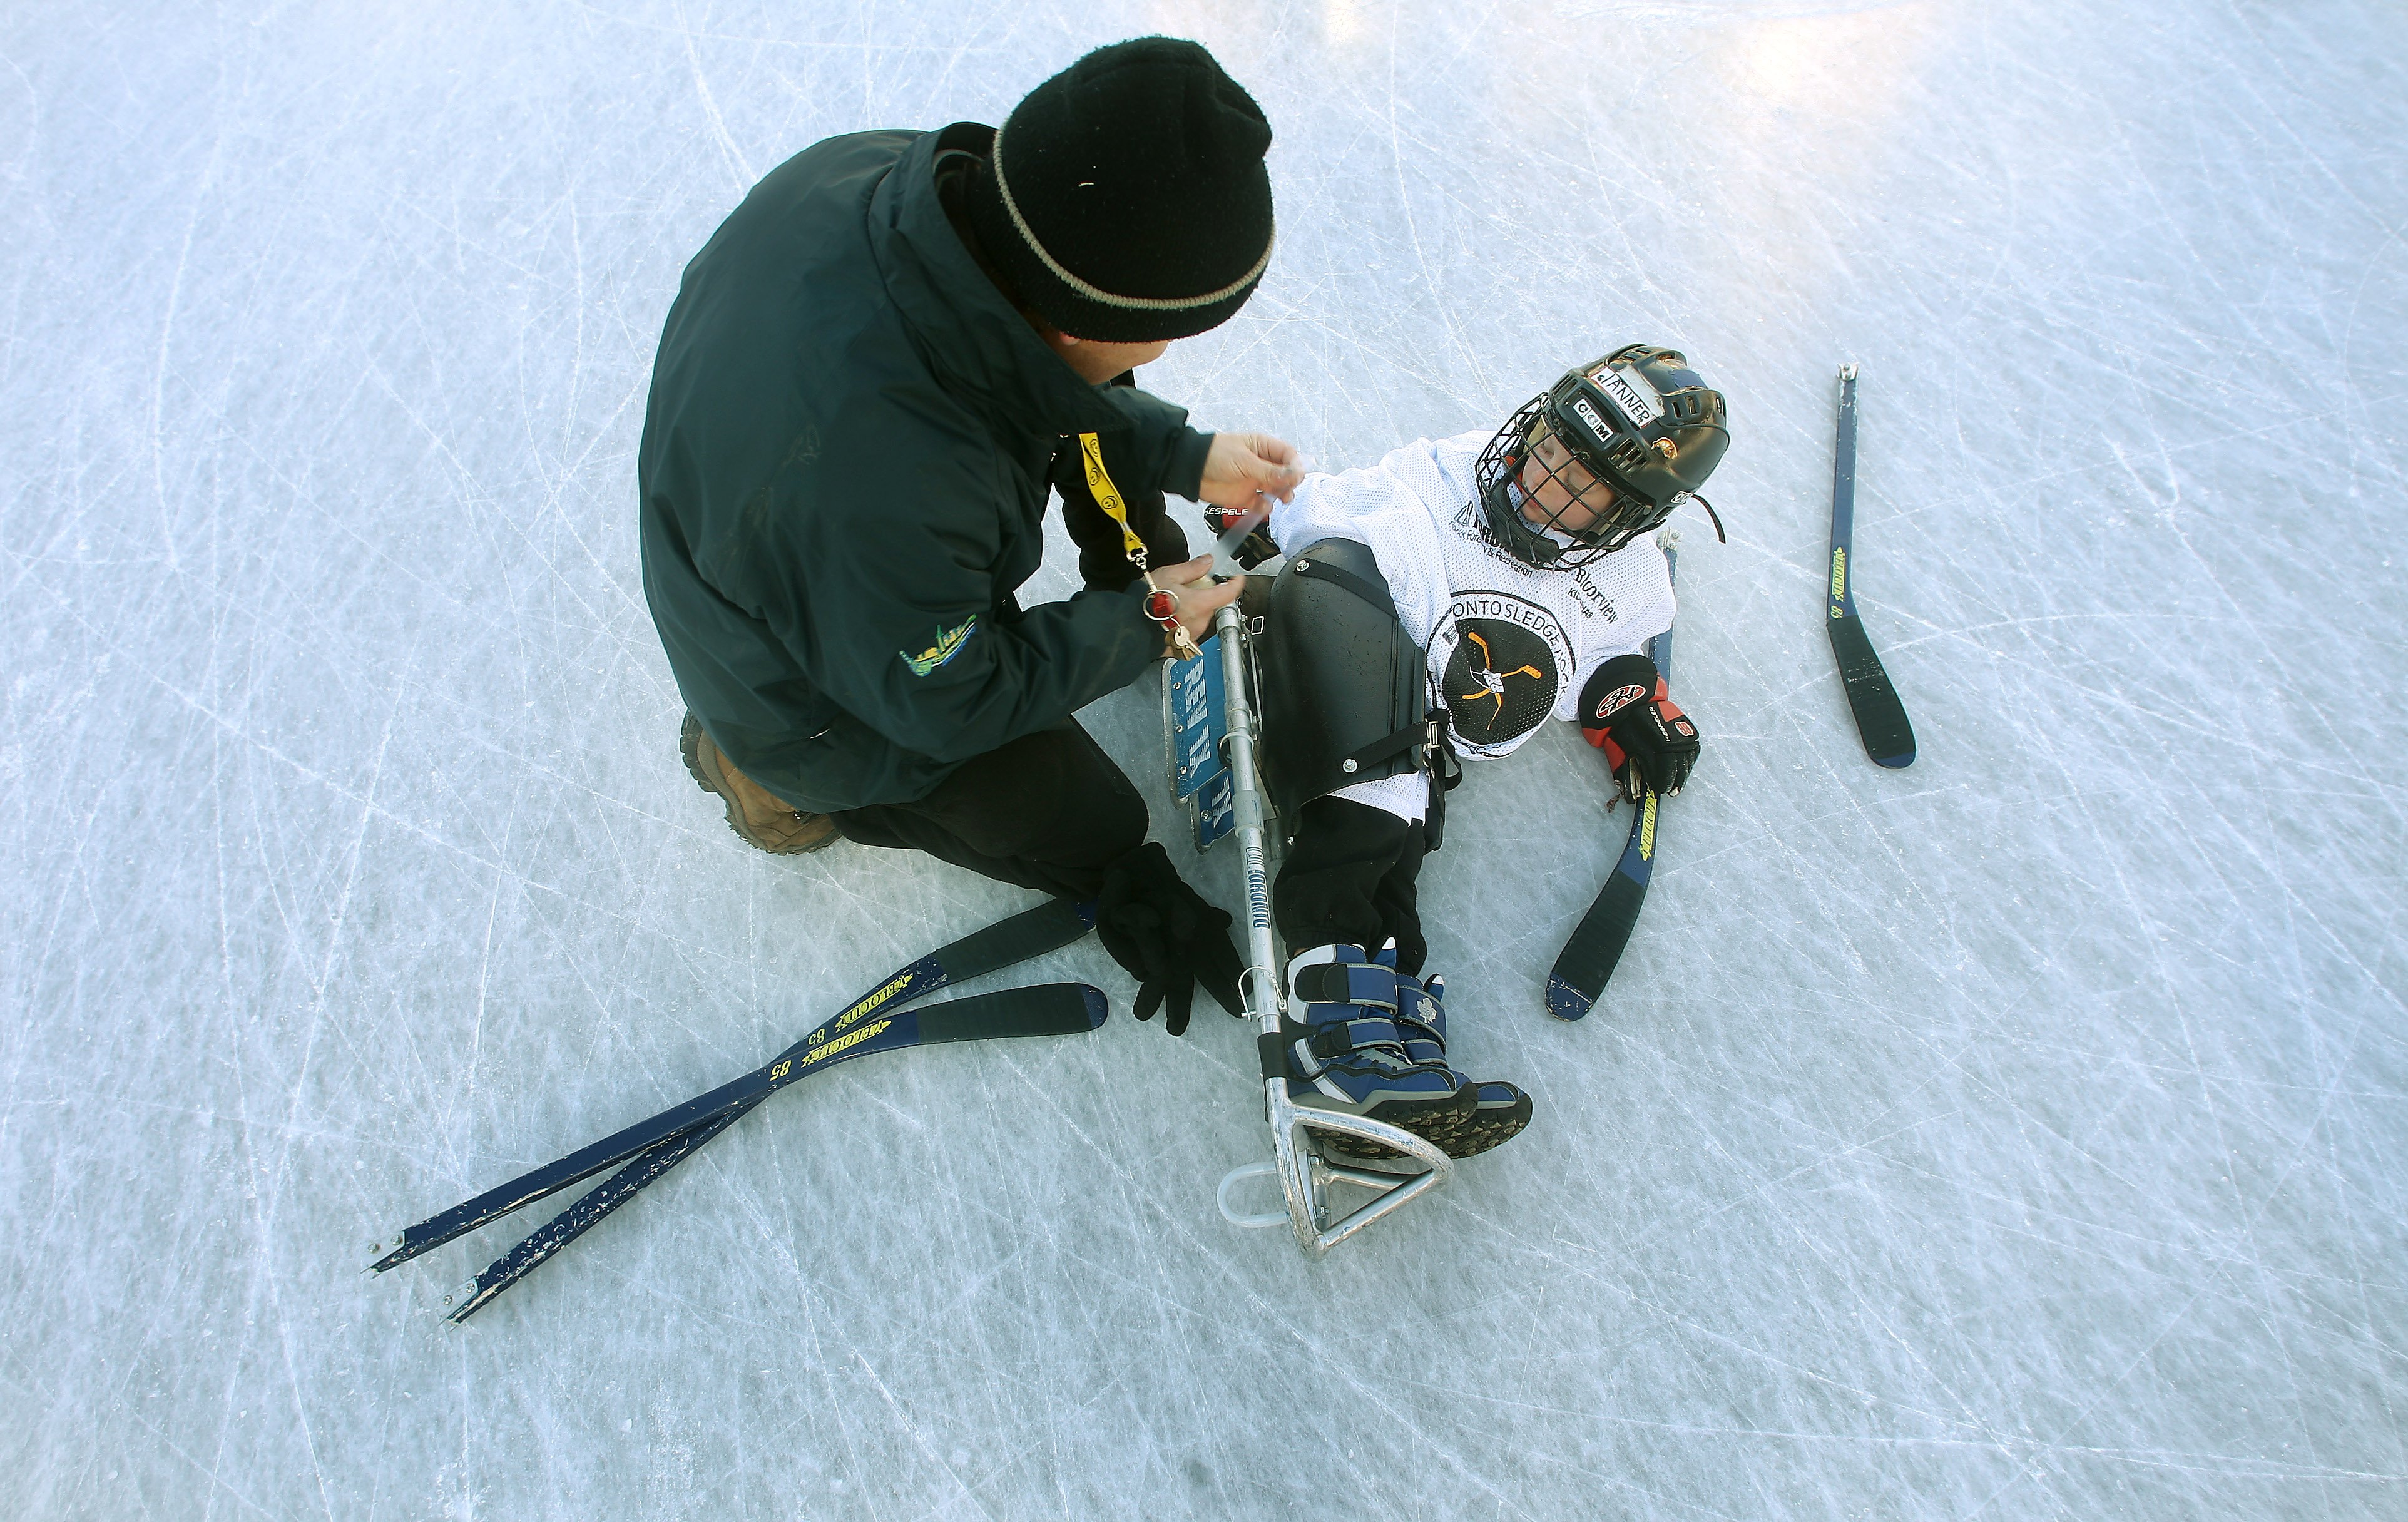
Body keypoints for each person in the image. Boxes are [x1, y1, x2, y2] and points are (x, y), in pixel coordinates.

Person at [636, 38, 1304, 1033]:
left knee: (1062, 428)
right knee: (1093, 819)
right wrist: (1149, 619)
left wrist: (1174, 452)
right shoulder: (891, 488)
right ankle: (759, 769)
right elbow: (950, 703)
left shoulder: (891, 185)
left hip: (804, 554)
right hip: (817, 693)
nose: (1168, 352)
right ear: (1086, 317)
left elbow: (1042, 376)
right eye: (1174, 331)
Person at [1243, 345, 1730, 1160]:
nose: (1543, 481)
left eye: (1580, 486)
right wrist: (1263, 520)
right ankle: (1330, 1043)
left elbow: (1591, 658)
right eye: (1548, 449)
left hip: (1405, 743)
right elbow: (1331, 526)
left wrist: (1626, 702)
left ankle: (1385, 1040)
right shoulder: (1451, 473)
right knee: (1370, 795)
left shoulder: (1624, 578)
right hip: (1333, 680)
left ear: (1630, 516)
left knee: (1398, 840)